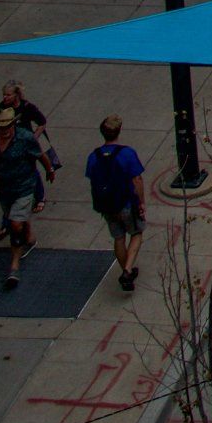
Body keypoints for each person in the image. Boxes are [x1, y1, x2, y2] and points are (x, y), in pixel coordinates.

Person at [0, 105, 47, 291]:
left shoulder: (24, 138)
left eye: (7, 127)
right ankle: (29, 237)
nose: (4, 131)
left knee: (15, 225)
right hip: (5, 190)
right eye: (1, 127)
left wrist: (49, 170)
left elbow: (40, 155)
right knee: (15, 221)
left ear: (13, 124)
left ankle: (14, 268)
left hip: (24, 187)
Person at [85, 116, 148, 293]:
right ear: (119, 132)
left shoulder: (94, 156)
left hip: (106, 205)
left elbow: (91, 177)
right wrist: (141, 202)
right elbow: (137, 179)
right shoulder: (127, 153)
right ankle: (127, 271)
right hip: (126, 203)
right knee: (136, 233)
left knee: (118, 237)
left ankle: (125, 269)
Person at [0, 81, 55, 237]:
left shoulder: (27, 107)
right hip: (10, 143)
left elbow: (42, 122)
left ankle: (40, 196)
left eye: (8, 95)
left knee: (31, 171)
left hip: (26, 144)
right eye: (4, 95)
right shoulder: (4, 107)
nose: (5, 98)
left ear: (16, 95)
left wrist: (34, 137)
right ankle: (6, 224)